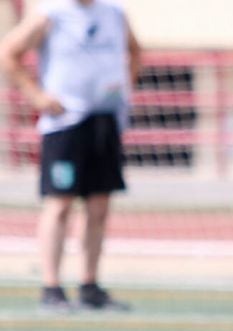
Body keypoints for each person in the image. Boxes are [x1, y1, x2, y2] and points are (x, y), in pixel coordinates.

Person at [0, 0, 140, 311]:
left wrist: (124, 86)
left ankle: (90, 286)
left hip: (104, 118)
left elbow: (135, 50)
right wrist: (36, 95)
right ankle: (51, 287)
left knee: (99, 206)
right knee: (59, 203)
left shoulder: (114, 12)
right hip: (65, 122)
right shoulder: (51, 12)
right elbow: (8, 52)